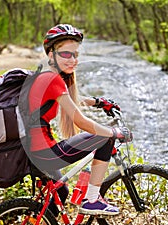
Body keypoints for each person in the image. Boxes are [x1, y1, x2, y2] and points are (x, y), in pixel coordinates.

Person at [27, 24, 132, 216]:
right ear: (51, 54)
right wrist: (113, 132)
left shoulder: (45, 75)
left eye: (75, 54)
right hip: (44, 153)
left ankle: (41, 219)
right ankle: (92, 199)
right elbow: (79, 120)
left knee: (61, 190)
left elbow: (68, 102)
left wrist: (98, 102)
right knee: (104, 138)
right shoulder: (52, 79)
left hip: (32, 152)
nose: (73, 59)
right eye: (66, 54)